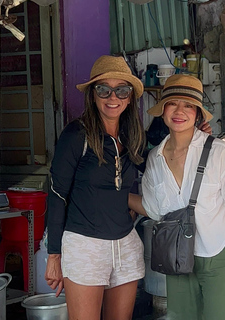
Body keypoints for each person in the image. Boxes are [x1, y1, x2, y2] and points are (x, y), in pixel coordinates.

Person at [129, 74, 225, 320]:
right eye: (173, 103)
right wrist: (117, 194)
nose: (179, 111)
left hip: (218, 256)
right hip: (177, 260)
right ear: (163, 111)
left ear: (197, 113)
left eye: (188, 105)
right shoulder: (155, 158)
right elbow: (153, 209)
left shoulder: (219, 150)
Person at [44, 55, 147, 320]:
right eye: (104, 89)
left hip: (125, 243)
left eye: (121, 90)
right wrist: (54, 255)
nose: (113, 97)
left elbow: (159, 166)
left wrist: (195, 136)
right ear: (93, 94)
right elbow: (56, 195)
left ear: (129, 97)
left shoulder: (132, 136)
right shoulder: (76, 135)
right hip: (85, 245)